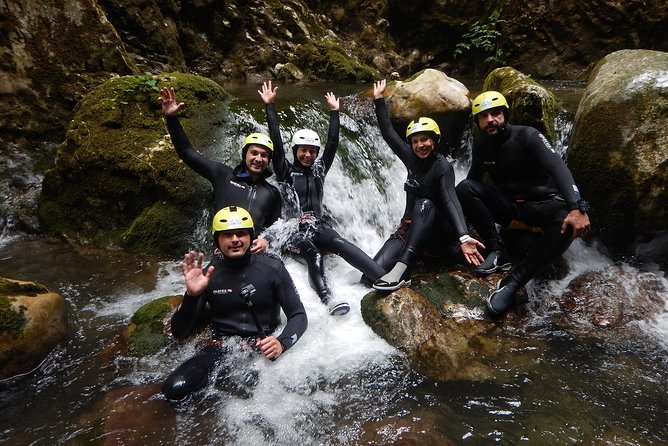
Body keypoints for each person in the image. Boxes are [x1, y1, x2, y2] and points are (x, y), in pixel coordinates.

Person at [456, 90, 591, 318]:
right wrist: (455, 225)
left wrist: (578, 206)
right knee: (465, 188)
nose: (490, 120)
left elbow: (559, 168)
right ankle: (497, 251)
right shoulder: (481, 145)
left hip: (545, 207)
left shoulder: (528, 136)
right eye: (484, 116)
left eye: (495, 113)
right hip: (513, 211)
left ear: (504, 115)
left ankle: (514, 281)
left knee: (566, 220)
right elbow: (473, 181)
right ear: (478, 122)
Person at [258, 81, 386, 315]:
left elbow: (333, 144)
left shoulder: (318, 171)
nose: (307, 154)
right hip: (291, 231)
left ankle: (383, 278)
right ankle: (328, 299)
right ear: (295, 150)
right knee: (313, 253)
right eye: (303, 150)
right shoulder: (285, 171)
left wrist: (335, 112)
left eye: (312, 151)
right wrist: (270, 107)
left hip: (317, 225)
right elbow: (276, 143)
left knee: (339, 243)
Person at [161, 206, 307, 402]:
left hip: (264, 348)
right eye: (227, 235)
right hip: (222, 348)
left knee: (257, 397)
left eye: (241, 233)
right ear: (217, 241)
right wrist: (192, 295)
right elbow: (181, 331)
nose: (235, 239)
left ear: (250, 236)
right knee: (174, 388)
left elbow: (298, 315)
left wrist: (282, 343)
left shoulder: (272, 268)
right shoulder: (208, 275)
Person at [369, 79, 485, 292]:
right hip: (409, 230)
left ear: (434, 141)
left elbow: (450, 200)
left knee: (424, 204)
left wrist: (463, 236)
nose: (420, 145)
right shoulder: (410, 157)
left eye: (425, 140)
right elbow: (388, 133)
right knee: (369, 276)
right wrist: (379, 100)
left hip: (438, 235)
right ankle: (399, 263)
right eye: (415, 141)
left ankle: (402, 271)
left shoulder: (443, 168)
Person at [159, 87, 281, 254]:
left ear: (268, 160)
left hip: (254, 256)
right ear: (245, 155)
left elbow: (277, 228)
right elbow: (187, 153)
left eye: (264, 155)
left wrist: (267, 240)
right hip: (222, 255)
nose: (258, 159)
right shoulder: (223, 175)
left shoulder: (273, 192)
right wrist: (171, 118)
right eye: (254, 153)